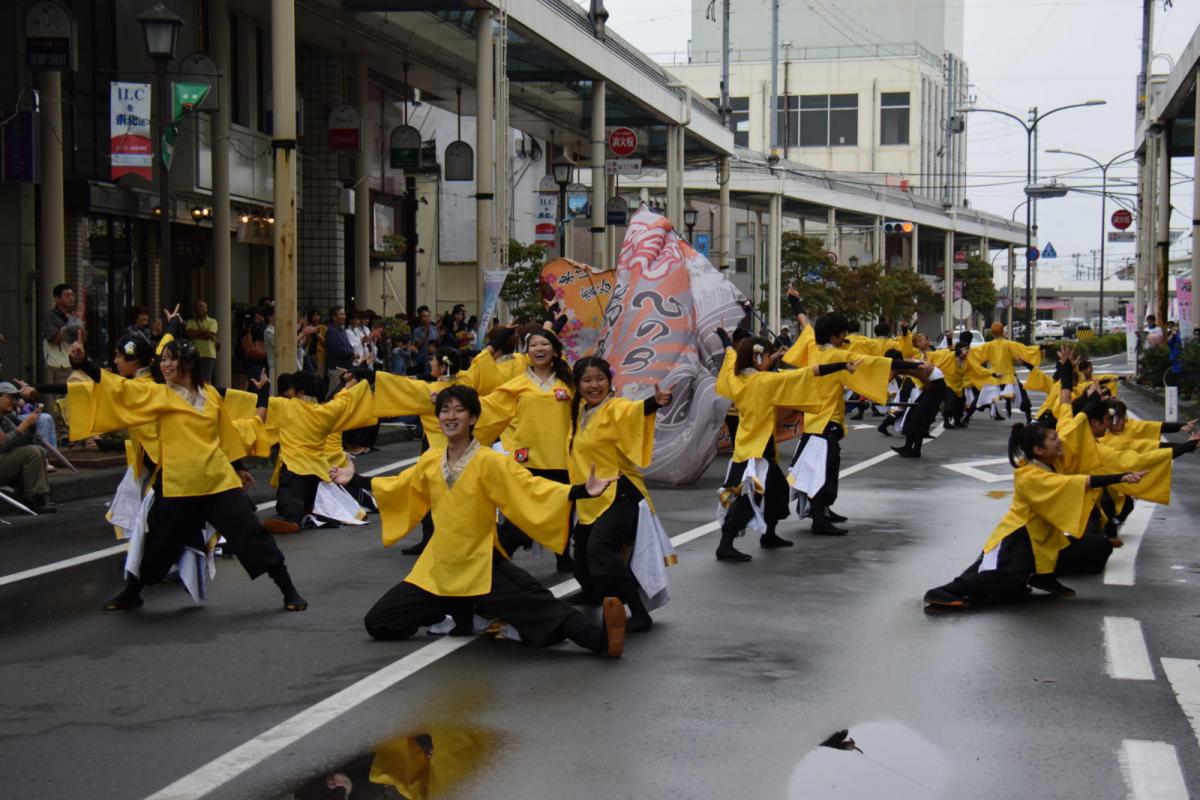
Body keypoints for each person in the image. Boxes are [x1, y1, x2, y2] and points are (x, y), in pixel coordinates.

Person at [332, 385, 628, 657]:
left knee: (540, 605)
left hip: (481, 565)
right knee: (380, 622)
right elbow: (399, 486)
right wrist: (355, 479)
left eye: (459, 410)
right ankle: (468, 613)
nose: (451, 416)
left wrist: (581, 491)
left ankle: (602, 640)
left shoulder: (490, 461)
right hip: (438, 571)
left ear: (473, 418)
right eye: (445, 410)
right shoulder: (430, 461)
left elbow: (530, 488)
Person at [67, 337, 307, 612]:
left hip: (217, 480)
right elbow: (120, 389)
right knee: (158, 542)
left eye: (171, 359)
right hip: (179, 484)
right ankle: (133, 592)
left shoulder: (211, 396)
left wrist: (238, 467)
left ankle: (289, 590)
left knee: (251, 534)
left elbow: (225, 435)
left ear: (189, 364)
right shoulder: (160, 394)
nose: (165, 365)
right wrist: (83, 363)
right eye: (164, 359)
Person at [923, 423, 1146, 610]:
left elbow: (1077, 438)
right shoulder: (1028, 475)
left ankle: (1040, 574)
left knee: (1098, 549)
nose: (1059, 441)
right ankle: (945, 592)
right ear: (1038, 450)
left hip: (1046, 540)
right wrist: (1121, 477)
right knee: (1010, 581)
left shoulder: (1051, 462)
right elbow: (1074, 483)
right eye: (1053, 438)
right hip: (1019, 536)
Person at [781, 290, 927, 534]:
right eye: (842, 333)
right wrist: (914, 365)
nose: (845, 337)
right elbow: (875, 363)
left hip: (813, 420)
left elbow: (803, 320)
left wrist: (795, 299)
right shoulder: (838, 355)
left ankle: (824, 512)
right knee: (823, 471)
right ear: (834, 335)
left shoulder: (810, 344)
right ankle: (819, 519)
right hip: (827, 421)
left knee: (819, 469)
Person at [715, 332, 850, 559]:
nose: (770, 361)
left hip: (753, 448)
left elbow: (730, 356)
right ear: (759, 358)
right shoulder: (765, 381)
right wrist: (842, 365)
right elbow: (807, 373)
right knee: (747, 498)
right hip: (755, 454)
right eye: (768, 357)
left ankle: (769, 535)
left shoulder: (736, 377)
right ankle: (725, 545)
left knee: (777, 492)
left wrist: (725, 340)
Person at [566, 356, 676, 631]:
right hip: (593, 497)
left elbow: (632, 411)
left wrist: (654, 403)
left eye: (600, 379)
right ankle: (595, 593)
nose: (594, 385)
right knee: (581, 560)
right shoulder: (579, 413)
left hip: (621, 492)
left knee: (599, 548)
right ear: (577, 386)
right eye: (587, 380)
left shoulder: (612, 407)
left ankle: (638, 613)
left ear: (610, 381)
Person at [473, 329, 576, 570]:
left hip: (561, 457)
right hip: (527, 457)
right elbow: (489, 406)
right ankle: (497, 561)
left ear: (554, 349)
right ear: (527, 352)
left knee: (563, 508)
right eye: (534, 346)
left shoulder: (569, 380)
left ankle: (563, 555)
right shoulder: (516, 384)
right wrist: (456, 402)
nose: (539, 349)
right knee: (520, 513)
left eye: (544, 344)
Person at [261, 370, 375, 534]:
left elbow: (260, 404)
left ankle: (293, 521)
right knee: (301, 501)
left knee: (289, 499)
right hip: (317, 470)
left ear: (299, 392)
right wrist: (353, 382)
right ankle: (305, 513)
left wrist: (262, 389)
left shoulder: (285, 405)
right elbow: (344, 400)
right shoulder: (326, 411)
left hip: (295, 466)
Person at [0, 381, 55, 513]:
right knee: (32, 452)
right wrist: (22, 427)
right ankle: (32, 498)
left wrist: (31, 426)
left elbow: (21, 442)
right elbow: (3, 446)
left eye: (15, 398)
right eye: (10, 397)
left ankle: (40, 497)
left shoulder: (5, 419)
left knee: (38, 450)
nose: (14, 401)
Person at [186, 300, 219, 383]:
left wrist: (196, 333)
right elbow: (190, 334)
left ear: (206, 309)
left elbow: (211, 335)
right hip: (195, 354)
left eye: (201, 306)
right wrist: (205, 332)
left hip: (209, 354)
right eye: (197, 306)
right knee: (194, 378)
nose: (199, 308)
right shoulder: (190, 322)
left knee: (207, 379)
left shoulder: (213, 321)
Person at [325, 306, 355, 394]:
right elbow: (337, 350)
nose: (344, 316)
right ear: (334, 317)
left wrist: (352, 352)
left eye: (344, 314)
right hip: (336, 368)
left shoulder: (342, 330)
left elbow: (349, 346)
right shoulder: (331, 331)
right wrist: (351, 353)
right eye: (341, 314)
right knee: (334, 393)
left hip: (346, 368)